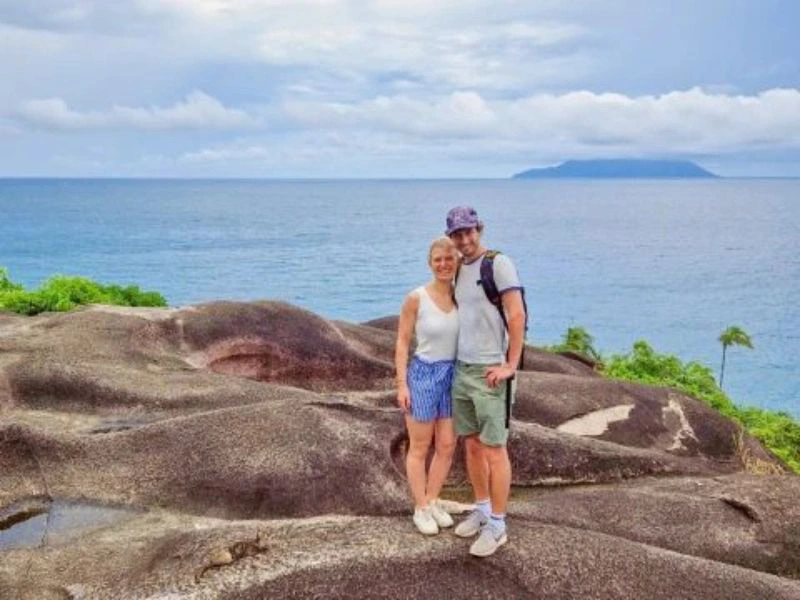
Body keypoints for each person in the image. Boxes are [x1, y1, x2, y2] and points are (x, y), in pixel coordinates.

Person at [446, 206, 526, 557]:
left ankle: (498, 524)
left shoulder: (498, 264)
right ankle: (480, 509)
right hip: (463, 369)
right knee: (472, 444)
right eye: (457, 234)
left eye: (469, 232)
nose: (464, 239)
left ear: (479, 229)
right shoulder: (459, 271)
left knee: (495, 449)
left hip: (491, 371)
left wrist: (511, 364)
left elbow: (517, 313)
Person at [395, 236, 460, 535]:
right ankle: (420, 507)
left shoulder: (461, 296)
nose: (444, 264)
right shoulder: (416, 298)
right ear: (430, 263)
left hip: (452, 374)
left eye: (449, 258)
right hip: (423, 374)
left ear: (456, 261)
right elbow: (402, 342)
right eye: (438, 260)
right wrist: (402, 385)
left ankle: (433, 499)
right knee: (420, 446)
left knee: (447, 444)